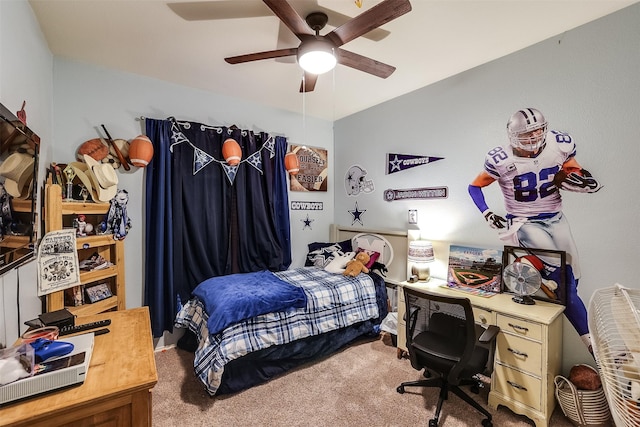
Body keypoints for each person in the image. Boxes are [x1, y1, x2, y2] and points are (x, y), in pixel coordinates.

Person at [468, 108, 602, 352]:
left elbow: (571, 169)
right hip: (523, 221)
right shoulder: (501, 159)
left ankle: (543, 278)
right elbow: (474, 187)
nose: (532, 138)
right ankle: (591, 342)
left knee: (573, 279)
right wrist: (487, 213)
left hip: (556, 217)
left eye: (537, 131)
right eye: (526, 134)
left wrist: (580, 178)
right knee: (562, 275)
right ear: (512, 135)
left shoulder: (559, 144)